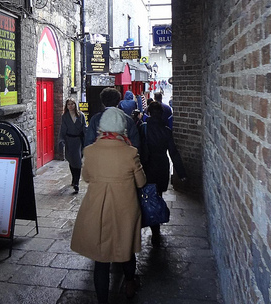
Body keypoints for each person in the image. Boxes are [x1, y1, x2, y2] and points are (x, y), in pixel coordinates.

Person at [71, 107, 147, 303]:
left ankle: (102, 300)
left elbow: (86, 177)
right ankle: (130, 284)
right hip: (125, 209)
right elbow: (141, 182)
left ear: (102, 126)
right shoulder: (131, 152)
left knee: (101, 259)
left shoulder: (90, 151)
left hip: (98, 208)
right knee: (126, 251)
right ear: (122, 127)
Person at [140, 101, 187, 245]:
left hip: (147, 166)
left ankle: (146, 222)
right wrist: (181, 173)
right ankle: (156, 230)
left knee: (145, 196)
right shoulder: (166, 130)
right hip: (161, 165)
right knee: (158, 195)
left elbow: (138, 149)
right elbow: (173, 152)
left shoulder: (143, 128)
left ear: (148, 113)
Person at [58, 98, 87, 193]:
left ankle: (76, 182)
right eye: (69, 104)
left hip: (78, 141)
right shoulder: (65, 116)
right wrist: (61, 140)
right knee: (71, 160)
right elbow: (62, 129)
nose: (71, 106)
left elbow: (84, 128)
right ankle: (74, 178)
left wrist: (88, 139)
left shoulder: (81, 115)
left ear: (75, 105)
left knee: (78, 161)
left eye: (72, 104)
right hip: (69, 140)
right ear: (66, 106)